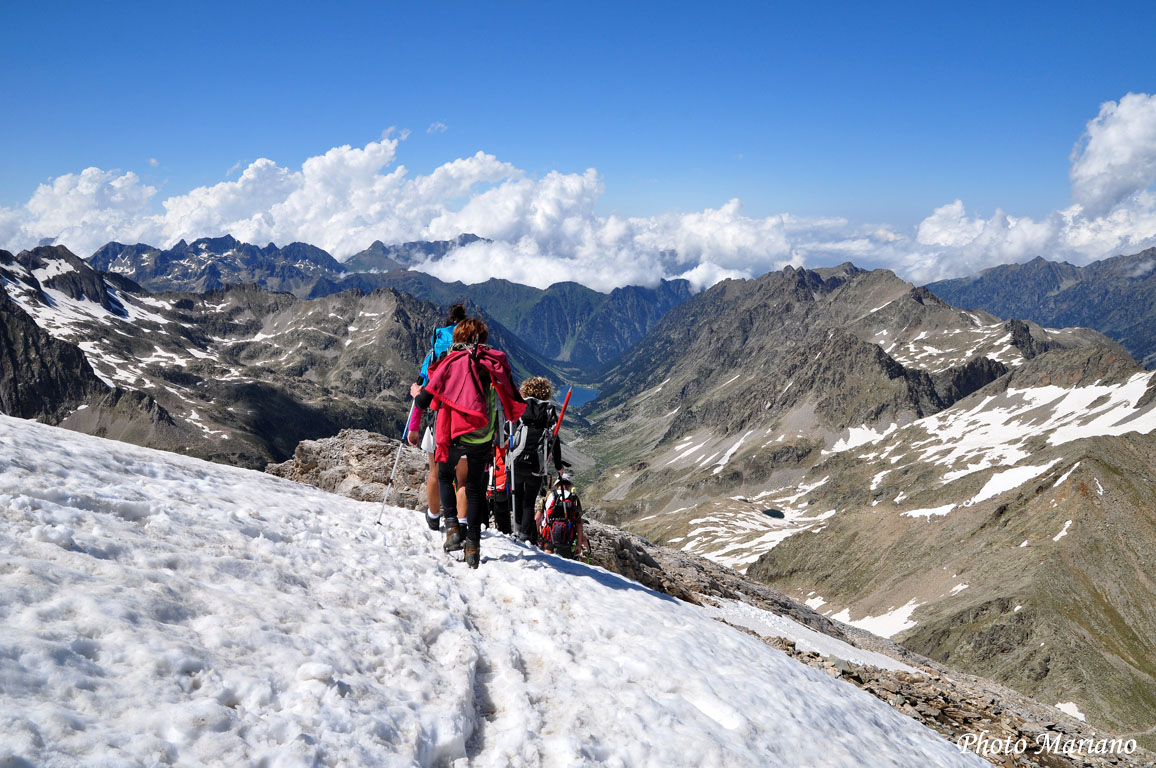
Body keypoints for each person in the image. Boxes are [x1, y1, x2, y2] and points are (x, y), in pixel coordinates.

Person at [411, 317, 526, 568]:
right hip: (483, 436)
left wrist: (416, 393)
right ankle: (473, 548)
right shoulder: (492, 362)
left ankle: (452, 527)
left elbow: (424, 401)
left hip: (453, 434)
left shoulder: (451, 361)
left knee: (444, 475)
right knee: (474, 489)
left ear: (457, 337)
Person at [407, 304, 467, 532]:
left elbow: (422, 390)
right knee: (463, 479)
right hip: (467, 423)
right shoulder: (475, 354)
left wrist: (413, 427)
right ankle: (461, 525)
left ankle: (433, 517)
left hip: (438, 419)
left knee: (436, 472)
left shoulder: (434, 354)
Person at [508, 377, 564, 544]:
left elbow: (508, 429)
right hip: (537, 464)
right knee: (529, 500)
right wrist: (559, 465)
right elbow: (555, 440)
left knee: (517, 495)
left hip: (516, 460)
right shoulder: (549, 410)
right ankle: (525, 535)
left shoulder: (520, 406)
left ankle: (517, 529)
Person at [537, 473, 588, 559]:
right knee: (565, 564)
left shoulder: (548, 496)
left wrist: (538, 536)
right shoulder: (574, 498)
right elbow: (579, 523)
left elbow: (537, 518)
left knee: (547, 560)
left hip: (548, 535)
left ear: (557, 484)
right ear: (569, 485)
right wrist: (579, 545)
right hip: (567, 537)